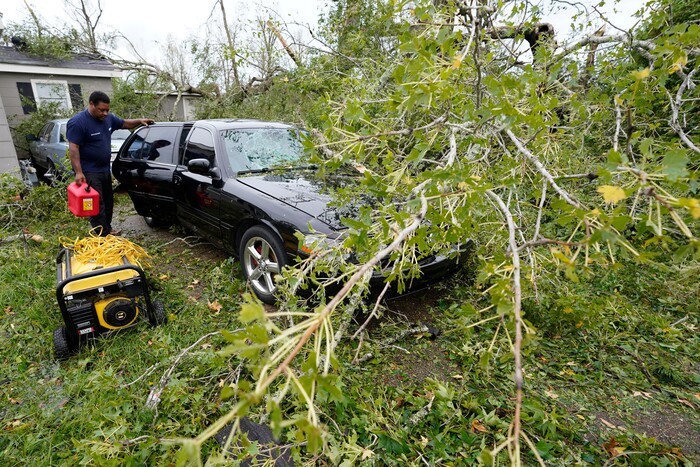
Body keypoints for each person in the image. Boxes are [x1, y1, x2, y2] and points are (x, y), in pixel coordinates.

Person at [67, 91, 154, 236]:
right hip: (89, 171)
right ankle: (102, 234)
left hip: (104, 169)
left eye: (107, 110)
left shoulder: (107, 119)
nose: (105, 113)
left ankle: (107, 228)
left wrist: (139, 121)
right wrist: (78, 172)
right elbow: (73, 148)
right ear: (91, 105)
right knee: (97, 204)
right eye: (102, 110)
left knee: (108, 201)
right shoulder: (78, 122)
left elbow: (124, 123)